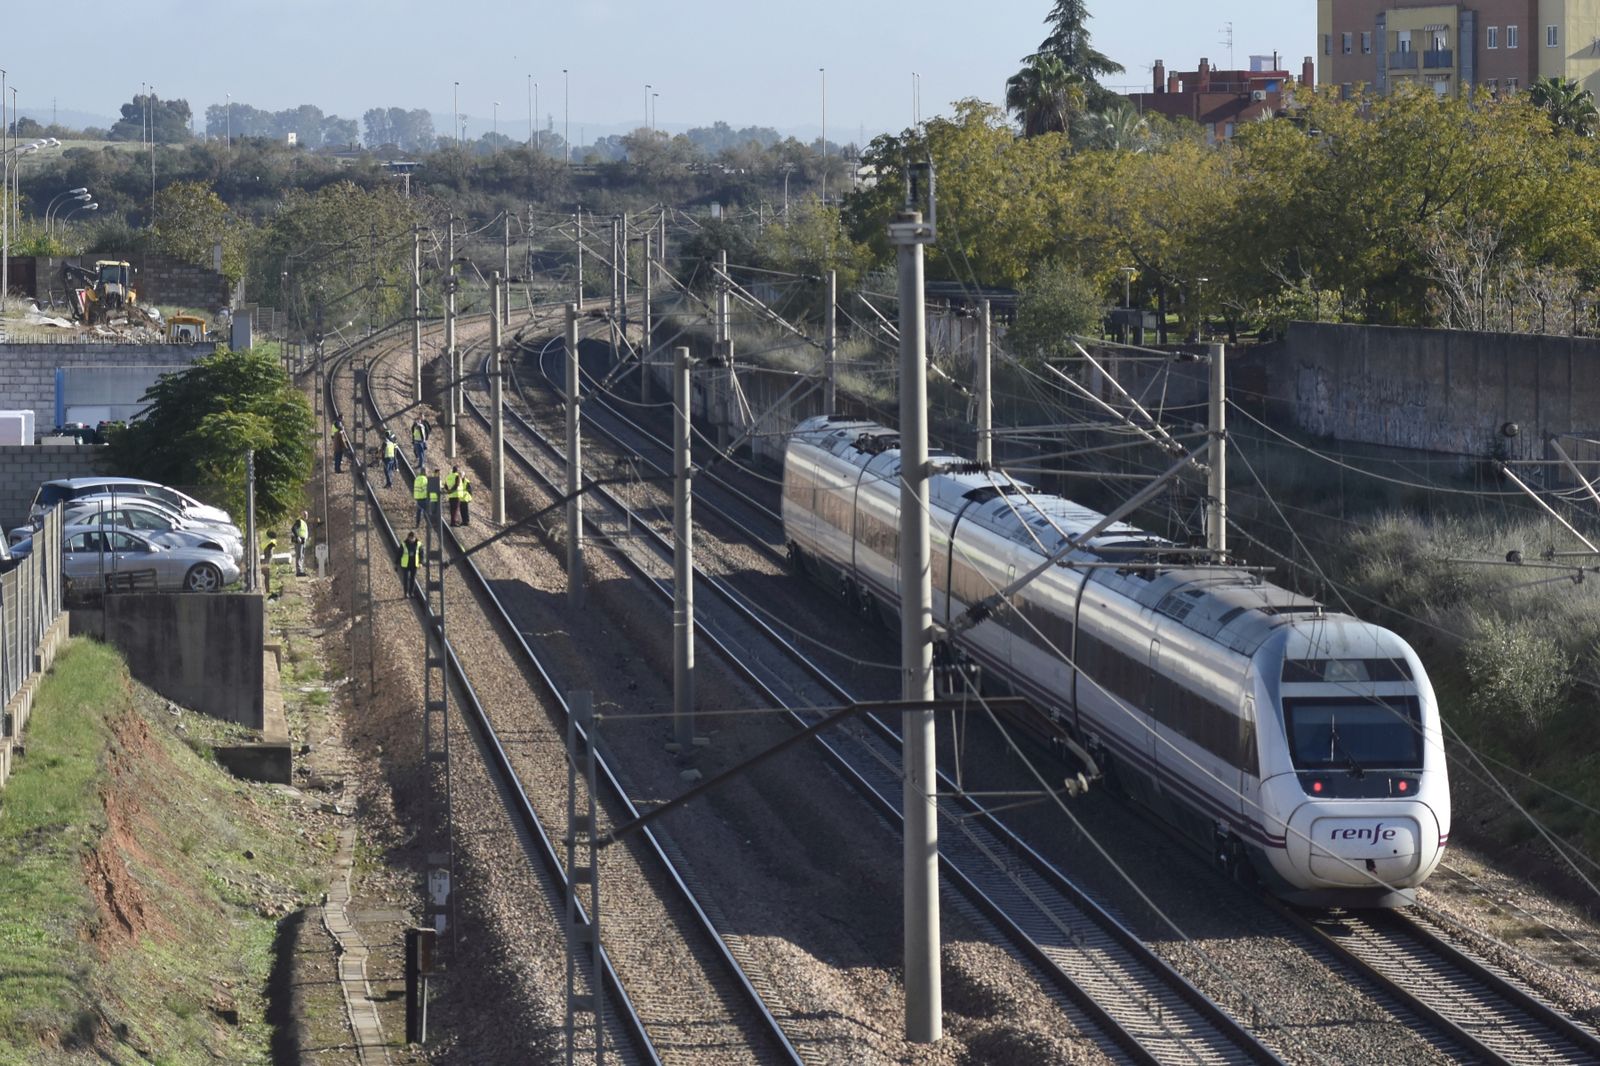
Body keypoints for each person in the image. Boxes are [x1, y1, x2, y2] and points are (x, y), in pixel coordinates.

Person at [399, 530, 422, 600]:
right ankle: (406, 593)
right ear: (408, 537)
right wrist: (396, 563)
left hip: (414, 564)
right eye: (410, 538)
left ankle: (411, 592)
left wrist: (420, 562)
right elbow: (399, 554)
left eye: (412, 538)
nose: (411, 539)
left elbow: (422, 554)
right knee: (406, 579)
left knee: (413, 579)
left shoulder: (418, 544)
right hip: (406, 564)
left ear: (415, 538)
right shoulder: (404, 544)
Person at [290, 511, 310, 576]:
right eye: (305, 514)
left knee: (302, 556)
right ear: (302, 515)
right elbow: (293, 528)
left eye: (306, 514)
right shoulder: (299, 521)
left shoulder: (303, 522)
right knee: (299, 555)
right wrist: (297, 537)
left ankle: (301, 570)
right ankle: (299, 572)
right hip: (299, 541)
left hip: (303, 541)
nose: (306, 516)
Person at [260, 531, 278, 596]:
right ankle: (267, 589)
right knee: (267, 567)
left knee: (267, 564)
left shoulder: (264, 531)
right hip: (269, 546)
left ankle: (267, 589)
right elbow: (273, 534)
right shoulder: (268, 530)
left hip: (267, 546)